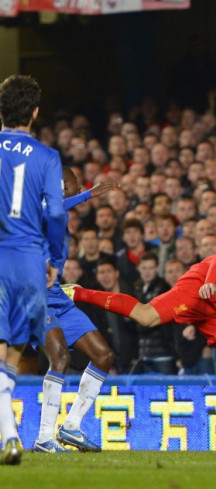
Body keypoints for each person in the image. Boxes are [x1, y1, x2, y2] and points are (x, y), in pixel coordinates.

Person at [63, 198, 216, 443]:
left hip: (214, 305)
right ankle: (78, 292)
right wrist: (210, 282)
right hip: (200, 288)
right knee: (147, 316)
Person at [0, 75, 65, 465]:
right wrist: (55, 260)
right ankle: (9, 434)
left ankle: (9, 434)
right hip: (27, 261)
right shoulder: (46, 156)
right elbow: (56, 213)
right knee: (13, 353)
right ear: (36, 112)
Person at [33, 168, 117, 453]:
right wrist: (87, 194)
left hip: (56, 296)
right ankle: (45, 437)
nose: (79, 186)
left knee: (104, 355)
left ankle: (71, 426)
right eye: (73, 184)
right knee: (59, 357)